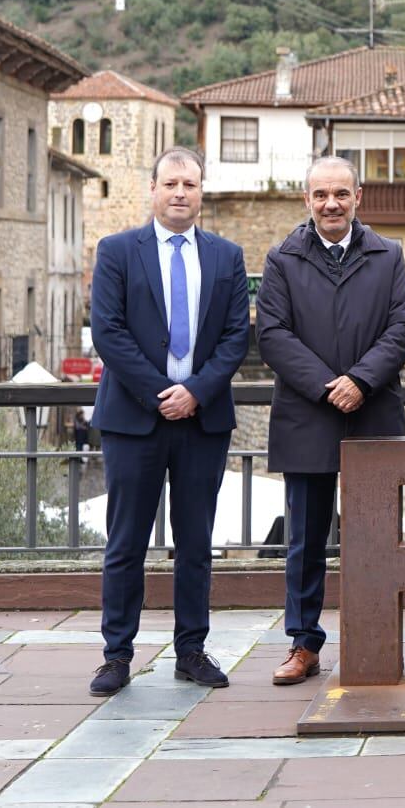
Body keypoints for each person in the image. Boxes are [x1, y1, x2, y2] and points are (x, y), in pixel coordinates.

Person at [85, 148, 251, 697]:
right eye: (171, 183)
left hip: (203, 420)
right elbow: (108, 332)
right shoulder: (116, 252)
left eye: (191, 184)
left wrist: (196, 392)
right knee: (126, 541)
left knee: (197, 542)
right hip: (135, 418)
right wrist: (162, 394)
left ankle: (192, 651)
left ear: (202, 192)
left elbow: (235, 338)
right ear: (152, 189)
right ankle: (116, 655)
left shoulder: (227, 257)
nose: (181, 192)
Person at [255, 156, 405, 686]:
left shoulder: (388, 255)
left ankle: (376, 641)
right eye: (321, 195)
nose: (331, 204)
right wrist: (330, 385)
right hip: (308, 415)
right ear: (308, 200)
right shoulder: (281, 258)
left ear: (358, 197)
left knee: (376, 537)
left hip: (372, 412)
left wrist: (361, 381)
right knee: (304, 539)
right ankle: (304, 644)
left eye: (341, 195)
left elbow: (403, 326)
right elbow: (273, 334)